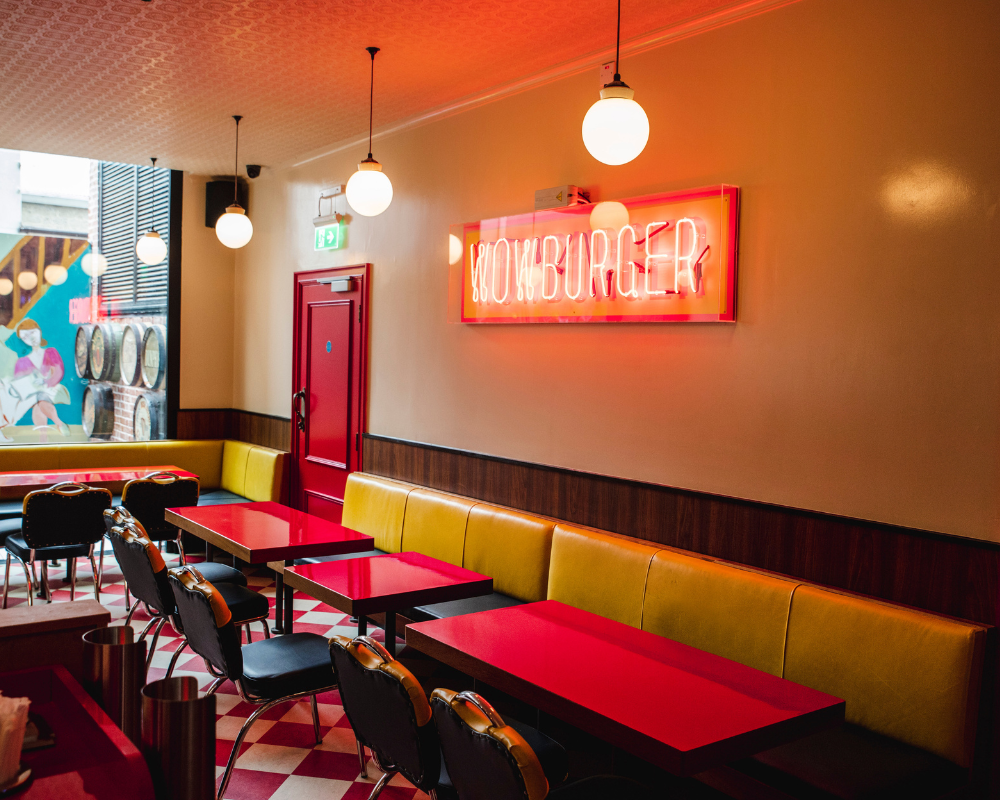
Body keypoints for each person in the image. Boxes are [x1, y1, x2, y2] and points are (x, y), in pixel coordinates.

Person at [10, 318, 70, 435]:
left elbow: (59, 372)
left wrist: (45, 382)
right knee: (38, 399)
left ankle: (48, 433)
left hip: (53, 390)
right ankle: (58, 426)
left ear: (39, 331)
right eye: (25, 337)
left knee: (40, 398)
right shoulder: (22, 362)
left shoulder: (51, 352)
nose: (31, 338)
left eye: (33, 332)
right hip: (33, 395)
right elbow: (19, 383)